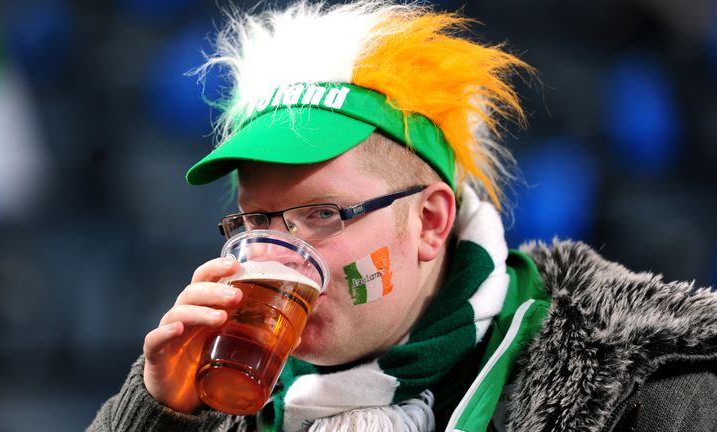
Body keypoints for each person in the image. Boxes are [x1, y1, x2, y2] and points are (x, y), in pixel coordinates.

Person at [90, 1, 717, 431]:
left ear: (430, 223)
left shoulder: (647, 393)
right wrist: (157, 415)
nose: (280, 254)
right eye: (258, 222)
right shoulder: (213, 396)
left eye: (323, 214)